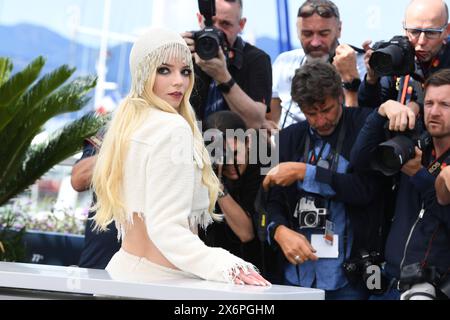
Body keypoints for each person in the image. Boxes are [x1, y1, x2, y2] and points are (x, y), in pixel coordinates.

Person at [91, 27, 269, 286]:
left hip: (123, 273)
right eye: (164, 70)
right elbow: (166, 228)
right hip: (160, 284)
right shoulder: (173, 128)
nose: (179, 81)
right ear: (143, 72)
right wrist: (226, 265)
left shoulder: (128, 124)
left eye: (185, 71)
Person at [263, 61, 386, 299]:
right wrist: (277, 230)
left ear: (340, 95)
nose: (321, 121)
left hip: (350, 277)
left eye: (326, 109)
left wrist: (305, 173)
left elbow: (367, 190)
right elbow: (268, 200)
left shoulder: (365, 125)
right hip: (294, 276)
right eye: (311, 113)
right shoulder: (287, 138)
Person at [351, 68, 450, 300]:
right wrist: (381, 111)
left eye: (445, 105)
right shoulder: (414, 144)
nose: (434, 112)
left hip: (430, 291)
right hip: (388, 283)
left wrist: (418, 175)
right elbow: (360, 160)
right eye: (429, 103)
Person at [199, 111, 280, 282]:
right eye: (220, 156)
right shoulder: (203, 172)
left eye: (235, 153)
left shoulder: (264, 165)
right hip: (217, 270)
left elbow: (246, 233)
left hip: (261, 270)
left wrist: (218, 188)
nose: (229, 163)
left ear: (248, 142)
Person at [269, 0, 366, 129]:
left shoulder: (361, 65)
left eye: (323, 34)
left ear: (339, 29)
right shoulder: (284, 63)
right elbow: (270, 122)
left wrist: (350, 82)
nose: (315, 42)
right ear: (297, 32)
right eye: (307, 34)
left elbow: (361, 131)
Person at [182, 0, 272, 130]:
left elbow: (255, 122)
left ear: (241, 25)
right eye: (210, 22)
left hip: (235, 145)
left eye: (225, 24)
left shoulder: (257, 59)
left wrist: (222, 77)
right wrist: (173, 55)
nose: (216, 30)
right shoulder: (186, 50)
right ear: (199, 19)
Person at [359, 0, 450, 110]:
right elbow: (369, 110)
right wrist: (371, 80)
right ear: (405, 29)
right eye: (414, 32)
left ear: (447, 31)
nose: (421, 41)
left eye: (431, 32)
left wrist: (417, 107)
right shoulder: (396, 55)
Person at [71, 129, 120, 269]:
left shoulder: (179, 129)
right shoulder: (112, 127)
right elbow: (78, 179)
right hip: (101, 258)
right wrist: (123, 148)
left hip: (157, 259)